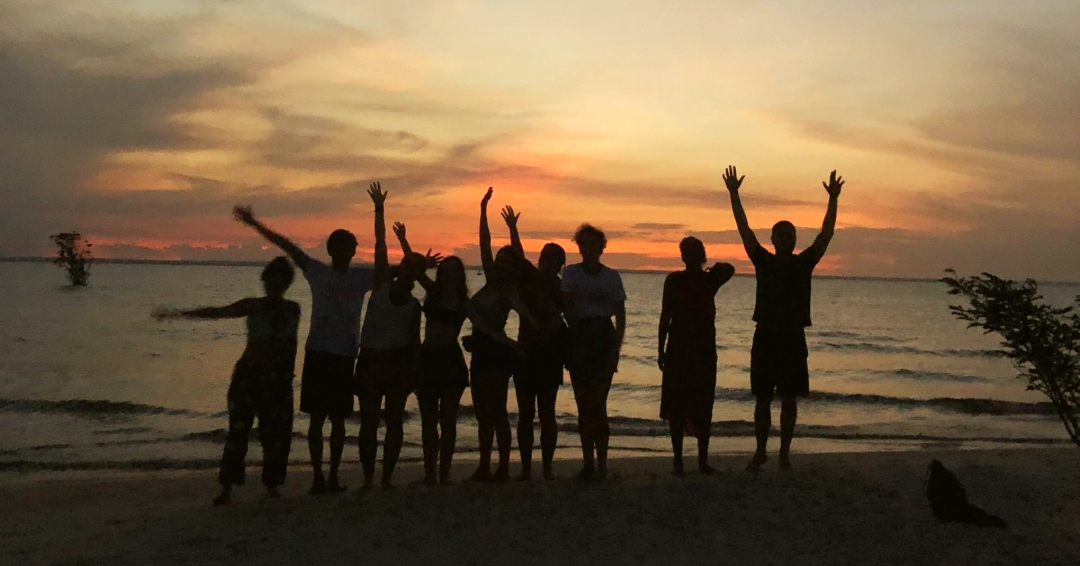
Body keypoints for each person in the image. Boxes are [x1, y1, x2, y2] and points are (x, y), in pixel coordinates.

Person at [234, 182, 386, 494]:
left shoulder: (361, 277)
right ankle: (318, 476)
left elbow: (389, 266)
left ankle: (333, 476)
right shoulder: (318, 271)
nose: (344, 253)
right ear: (330, 251)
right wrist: (255, 224)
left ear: (354, 252)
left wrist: (380, 212)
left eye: (349, 249)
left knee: (339, 421)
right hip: (318, 353)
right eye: (339, 248)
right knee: (316, 420)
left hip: (345, 355)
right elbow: (287, 246)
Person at [723, 165, 844, 471]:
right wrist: (734, 194)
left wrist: (833, 200)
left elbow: (826, 235)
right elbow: (744, 230)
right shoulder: (763, 260)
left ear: (794, 240)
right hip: (765, 335)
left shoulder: (804, 263)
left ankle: (784, 452)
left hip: (792, 336)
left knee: (789, 399)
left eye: (790, 235)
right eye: (781, 234)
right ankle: (760, 451)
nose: (785, 238)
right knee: (762, 399)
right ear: (773, 239)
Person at [153, 257, 300, 505]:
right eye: (270, 280)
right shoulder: (253, 305)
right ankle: (227, 488)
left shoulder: (292, 309)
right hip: (248, 377)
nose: (273, 285)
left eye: (279, 281)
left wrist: (285, 376)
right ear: (265, 281)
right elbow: (218, 312)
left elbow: (288, 346)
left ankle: (272, 485)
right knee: (238, 433)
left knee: (275, 435)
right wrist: (179, 314)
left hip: (277, 380)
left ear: (286, 284)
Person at [356, 212, 430, 489]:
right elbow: (380, 246)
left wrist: (417, 372)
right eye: (407, 266)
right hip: (371, 362)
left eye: (415, 269)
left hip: (399, 365)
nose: (409, 271)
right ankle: (368, 478)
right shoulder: (381, 287)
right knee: (369, 421)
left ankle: (386, 478)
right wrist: (379, 210)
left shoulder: (414, 305)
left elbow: (414, 341)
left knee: (394, 422)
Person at [466, 187, 536, 482]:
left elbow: (524, 309)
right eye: (500, 259)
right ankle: (484, 465)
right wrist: (482, 209)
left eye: (507, 261)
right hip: (479, 349)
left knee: (496, 411)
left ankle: (503, 466)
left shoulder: (509, 290)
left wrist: (513, 230)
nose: (502, 262)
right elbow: (484, 243)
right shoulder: (491, 280)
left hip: (496, 352)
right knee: (482, 411)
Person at [393, 223, 469, 486]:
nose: (449, 277)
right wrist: (405, 242)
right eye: (445, 272)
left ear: (460, 276)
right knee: (428, 421)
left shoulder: (463, 302)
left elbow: (485, 324)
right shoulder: (434, 293)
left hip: (450, 359)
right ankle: (429, 473)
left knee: (448, 421)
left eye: (453, 273)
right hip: (428, 356)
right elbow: (414, 270)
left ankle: (444, 474)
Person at [500, 205, 568, 481]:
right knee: (526, 413)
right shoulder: (530, 277)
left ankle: (547, 468)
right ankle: (527, 468)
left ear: (560, 265)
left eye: (553, 260)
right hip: (526, 351)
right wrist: (513, 228)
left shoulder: (562, 287)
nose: (547, 263)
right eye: (544, 258)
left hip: (549, 354)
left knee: (547, 412)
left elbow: (568, 315)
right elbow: (518, 255)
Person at [657, 237, 735, 475]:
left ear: (701, 254)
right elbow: (665, 316)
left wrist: (711, 268)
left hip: (703, 349)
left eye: (694, 251)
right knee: (677, 406)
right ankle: (678, 461)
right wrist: (660, 349)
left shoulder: (709, 279)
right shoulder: (674, 280)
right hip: (679, 347)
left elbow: (729, 269)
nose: (689, 255)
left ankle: (701, 461)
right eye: (686, 251)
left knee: (703, 404)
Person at [561, 224, 626, 481]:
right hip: (579, 335)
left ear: (601, 247)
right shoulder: (571, 273)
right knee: (583, 405)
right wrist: (577, 337)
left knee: (599, 404)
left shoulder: (611, 276)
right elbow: (568, 308)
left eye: (593, 244)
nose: (588, 249)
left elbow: (620, 316)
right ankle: (588, 463)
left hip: (603, 336)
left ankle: (602, 465)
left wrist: (616, 350)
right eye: (583, 244)